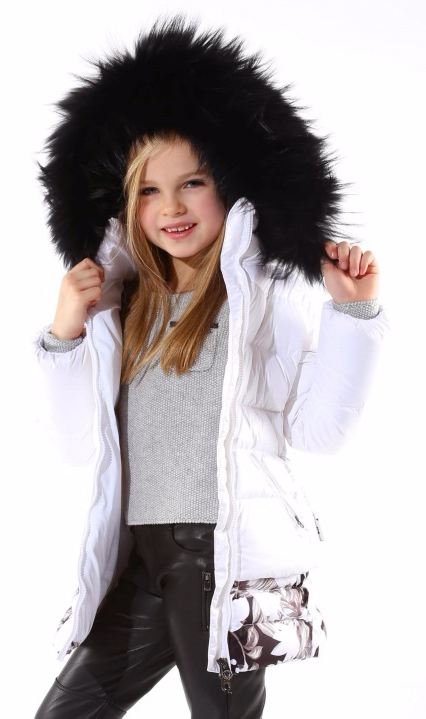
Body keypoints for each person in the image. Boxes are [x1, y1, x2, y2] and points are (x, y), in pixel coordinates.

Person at [33, 18, 389, 719]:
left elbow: (317, 433)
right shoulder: (121, 307)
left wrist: (352, 316)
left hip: (218, 562)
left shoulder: (263, 302)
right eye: (147, 190)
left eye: (191, 182)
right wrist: (66, 332)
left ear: (229, 187)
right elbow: (77, 446)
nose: (170, 207)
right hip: (139, 560)